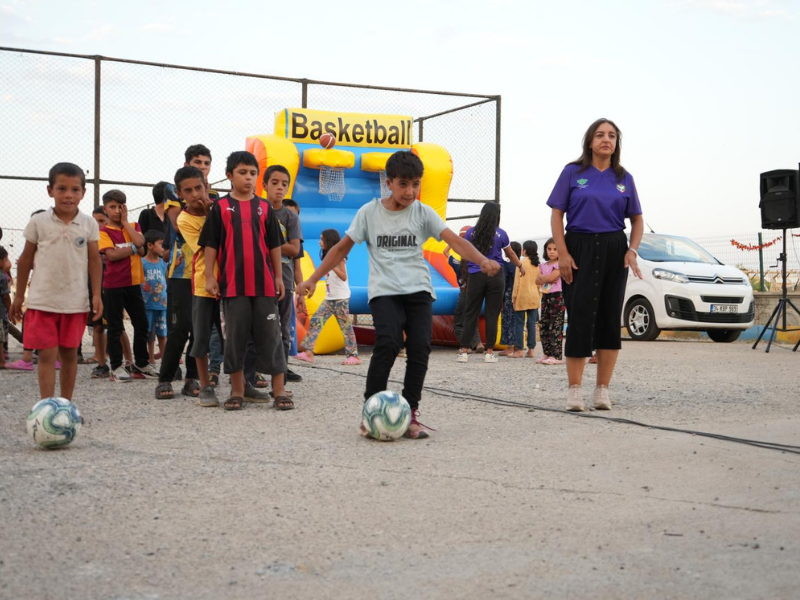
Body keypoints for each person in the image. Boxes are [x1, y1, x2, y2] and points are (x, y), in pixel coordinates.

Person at [296, 151, 499, 439]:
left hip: (418, 290)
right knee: (389, 343)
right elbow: (340, 249)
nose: (410, 191)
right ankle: (371, 409)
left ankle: (412, 412)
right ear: (388, 183)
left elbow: (455, 241)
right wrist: (313, 279)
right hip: (384, 291)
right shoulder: (369, 212)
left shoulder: (423, 212)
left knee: (420, 346)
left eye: (415, 184)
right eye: (403, 184)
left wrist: (482, 260)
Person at [547, 117, 643, 411]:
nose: (606, 139)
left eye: (612, 135)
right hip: (579, 247)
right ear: (590, 141)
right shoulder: (573, 172)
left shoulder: (624, 177)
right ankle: (574, 390)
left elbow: (637, 219)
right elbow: (556, 215)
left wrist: (632, 250)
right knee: (580, 318)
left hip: (615, 248)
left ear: (617, 143)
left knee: (608, 319)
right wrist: (563, 253)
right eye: (600, 135)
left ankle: (602, 390)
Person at [200, 150, 290, 411]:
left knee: (272, 337)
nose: (248, 178)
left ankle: (279, 390)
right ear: (229, 175)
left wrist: (277, 277)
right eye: (242, 172)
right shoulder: (220, 208)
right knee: (236, 338)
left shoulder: (263, 208)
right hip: (233, 286)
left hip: (264, 287)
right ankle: (237, 390)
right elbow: (211, 244)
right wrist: (209, 275)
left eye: (252, 173)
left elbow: (274, 245)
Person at [10, 162, 103, 400]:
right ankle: (47, 406)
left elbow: (94, 260)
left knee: (70, 354)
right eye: (62, 189)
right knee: (47, 355)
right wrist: (19, 296)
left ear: (83, 192)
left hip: (75, 301)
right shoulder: (38, 222)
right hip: (43, 301)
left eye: (74, 190)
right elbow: (25, 260)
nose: (68, 195)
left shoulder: (89, 224)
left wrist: (96, 295)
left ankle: (66, 406)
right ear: (50, 190)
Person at [171, 166, 223, 406]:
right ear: (180, 194)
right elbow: (205, 244)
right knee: (200, 336)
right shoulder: (184, 219)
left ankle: (243, 383)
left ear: (207, 186)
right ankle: (204, 386)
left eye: (198, 188)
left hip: (230, 282)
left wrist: (213, 212)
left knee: (232, 336)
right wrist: (210, 215)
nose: (194, 194)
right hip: (203, 284)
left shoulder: (221, 208)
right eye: (188, 191)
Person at [99, 189, 158, 381]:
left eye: (120, 207)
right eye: (112, 207)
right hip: (114, 285)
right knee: (115, 327)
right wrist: (133, 248)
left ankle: (141, 363)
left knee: (141, 323)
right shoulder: (104, 232)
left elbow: (142, 242)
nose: (116, 211)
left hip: (134, 283)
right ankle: (116, 366)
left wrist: (126, 225)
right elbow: (113, 255)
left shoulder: (133, 225)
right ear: (106, 209)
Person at [457, 202, 524, 364]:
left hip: (476, 274)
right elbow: (511, 253)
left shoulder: (471, 233)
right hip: (496, 274)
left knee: (471, 312)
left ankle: (464, 352)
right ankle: (489, 353)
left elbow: (465, 253)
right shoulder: (501, 234)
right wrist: (520, 266)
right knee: (492, 314)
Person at [294, 229, 361, 365]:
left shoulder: (339, 258)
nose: (319, 242)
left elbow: (343, 277)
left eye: (321, 239)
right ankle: (308, 352)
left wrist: (333, 266)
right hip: (330, 298)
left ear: (328, 241)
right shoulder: (327, 257)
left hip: (341, 298)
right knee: (316, 321)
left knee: (345, 327)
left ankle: (353, 355)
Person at [263, 165, 304, 387]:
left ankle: (281, 375)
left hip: (285, 283)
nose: (280, 188)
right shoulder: (257, 211)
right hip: (259, 281)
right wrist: (281, 246)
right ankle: (256, 374)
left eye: (284, 184)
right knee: (259, 330)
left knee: (283, 332)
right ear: (265, 185)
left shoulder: (290, 217)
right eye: (275, 183)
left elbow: (295, 249)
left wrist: (269, 245)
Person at [443, 226, 483, 353]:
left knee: (459, 323)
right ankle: (478, 343)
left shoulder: (457, 264)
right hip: (476, 293)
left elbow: (445, 252)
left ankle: (465, 346)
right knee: (473, 320)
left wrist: (454, 241)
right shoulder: (477, 263)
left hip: (464, 292)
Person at [535, 238, 565, 365]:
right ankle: (547, 353)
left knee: (555, 324)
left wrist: (544, 278)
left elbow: (553, 277)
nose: (552, 252)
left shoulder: (560, 264)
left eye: (555, 249)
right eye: (549, 249)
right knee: (545, 324)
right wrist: (546, 278)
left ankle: (556, 355)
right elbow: (537, 280)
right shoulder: (543, 265)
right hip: (546, 295)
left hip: (558, 295)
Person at [141, 230, 168, 365]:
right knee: (149, 334)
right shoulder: (142, 263)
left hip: (162, 305)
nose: (163, 247)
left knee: (162, 333)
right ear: (150, 245)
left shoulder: (163, 263)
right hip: (147, 305)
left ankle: (165, 360)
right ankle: (151, 359)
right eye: (161, 244)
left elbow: (166, 280)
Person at [512, 240, 541, 359]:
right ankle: (531, 350)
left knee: (519, 323)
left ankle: (519, 350)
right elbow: (540, 284)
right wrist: (539, 297)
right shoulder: (538, 265)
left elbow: (516, 283)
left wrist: (513, 298)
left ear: (525, 250)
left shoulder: (520, 263)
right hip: (534, 297)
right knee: (531, 324)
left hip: (522, 296)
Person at [499, 241, 522, 356]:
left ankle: (509, 347)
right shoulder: (521, 264)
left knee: (507, 320)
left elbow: (504, 282)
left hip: (509, 294)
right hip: (520, 294)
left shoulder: (507, 265)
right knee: (517, 320)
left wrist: (501, 300)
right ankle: (518, 345)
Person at [0, 245, 10, 369]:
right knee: (0, 338)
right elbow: (6, 297)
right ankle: (1, 360)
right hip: (0, 313)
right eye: (6, 260)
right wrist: (10, 308)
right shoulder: (2, 276)